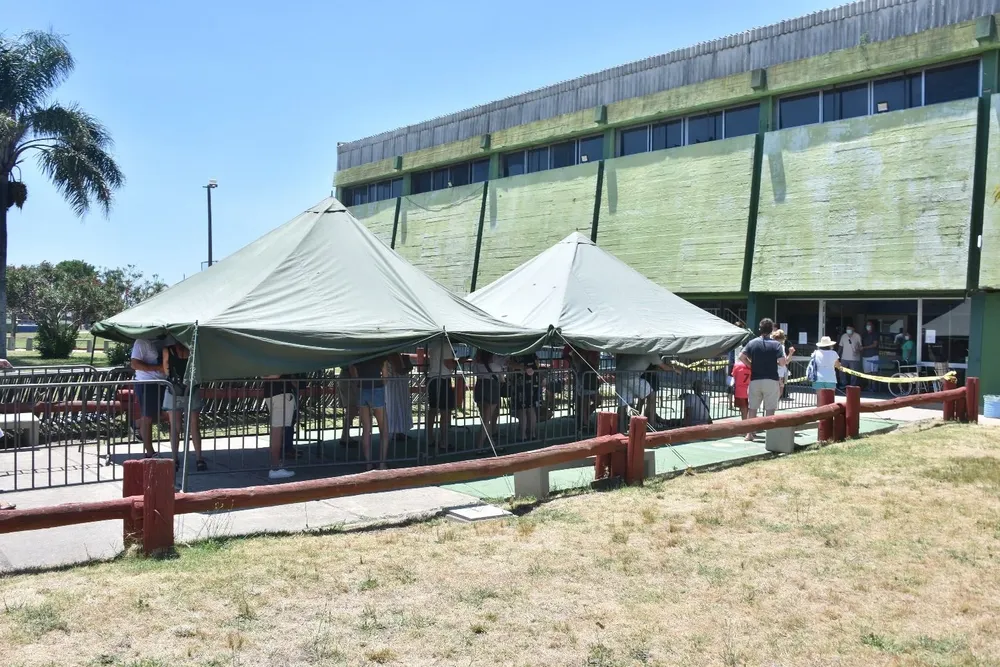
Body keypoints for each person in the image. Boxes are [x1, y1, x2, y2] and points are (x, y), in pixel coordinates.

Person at [161, 341, 206, 473]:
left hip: (173, 390)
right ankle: (199, 459)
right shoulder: (193, 349)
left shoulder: (167, 350)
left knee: (174, 427)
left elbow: (166, 370)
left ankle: (175, 459)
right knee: (194, 426)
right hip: (191, 389)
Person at [738, 319, 785, 441]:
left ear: (760, 329)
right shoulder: (777, 345)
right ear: (771, 330)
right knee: (770, 409)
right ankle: (769, 436)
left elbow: (741, 356)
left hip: (755, 379)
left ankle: (749, 434)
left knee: (753, 408)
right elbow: (782, 362)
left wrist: (751, 365)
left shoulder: (752, 343)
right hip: (771, 379)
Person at [614, 353, 676, 432]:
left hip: (620, 375)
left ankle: (620, 429)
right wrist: (675, 370)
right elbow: (663, 367)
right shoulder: (652, 353)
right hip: (631, 377)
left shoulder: (639, 349)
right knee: (651, 395)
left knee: (622, 404)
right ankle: (652, 424)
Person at [130, 337, 166, 458]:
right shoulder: (142, 341)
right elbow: (135, 364)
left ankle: (137, 424)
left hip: (162, 382)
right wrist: (158, 368)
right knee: (148, 417)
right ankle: (150, 452)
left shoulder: (164, 340)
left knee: (160, 415)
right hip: (146, 382)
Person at [352, 356, 389, 469]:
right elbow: (385, 377)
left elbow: (355, 377)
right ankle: (382, 463)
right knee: (384, 429)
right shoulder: (381, 358)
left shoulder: (358, 358)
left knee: (366, 429)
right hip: (377, 389)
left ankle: (368, 463)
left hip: (362, 390)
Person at [262, 375, 298, 480]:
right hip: (281, 393)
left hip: (271, 392)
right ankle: (275, 467)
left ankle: (276, 465)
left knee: (277, 429)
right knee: (278, 430)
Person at [425, 337, 457, 454]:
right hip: (442, 379)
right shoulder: (446, 345)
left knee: (433, 409)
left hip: (432, 379)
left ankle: (430, 438)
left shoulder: (434, 344)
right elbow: (449, 364)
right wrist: (458, 362)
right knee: (445, 411)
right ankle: (444, 441)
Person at [472, 349, 504, 449]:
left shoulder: (477, 359)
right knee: (487, 419)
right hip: (491, 386)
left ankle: (491, 443)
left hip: (479, 385)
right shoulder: (495, 359)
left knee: (484, 418)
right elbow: (501, 372)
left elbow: (474, 371)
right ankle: (479, 445)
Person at [566, 346, 600, 433]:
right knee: (585, 402)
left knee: (595, 401)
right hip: (584, 379)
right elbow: (579, 366)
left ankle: (584, 419)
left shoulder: (587, 353)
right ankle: (585, 423)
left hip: (590, 379)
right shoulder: (578, 354)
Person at [509, 354, 541, 442]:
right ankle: (532, 434)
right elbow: (537, 364)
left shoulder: (517, 354)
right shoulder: (532, 353)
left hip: (520, 384)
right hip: (533, 382)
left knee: (522, 409)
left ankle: (523, 435)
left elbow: (511, 364)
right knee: (531, 408)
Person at [384, 353, 414, 441]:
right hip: (396, 383)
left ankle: (398, 431)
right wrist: (408, 365)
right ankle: (396, 432)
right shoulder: (393, 355)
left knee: (397, 406)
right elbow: (399, 370)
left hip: (397, 383)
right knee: (397, 406)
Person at [336, 365, 360, 447]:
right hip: (349, 379)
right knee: (352, 407)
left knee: (351, 409)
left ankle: (345, 435)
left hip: (348, 378)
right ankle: (345, 436)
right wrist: (356, 382)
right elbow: (352, 366)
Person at [770, 329, 796, 399]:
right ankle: (773, 403)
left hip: (772, 371)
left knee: (774, 391)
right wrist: (790, 353)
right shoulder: (780, 346)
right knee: (779, 390)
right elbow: (786, 362)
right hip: (779, 372)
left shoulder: (770, 345)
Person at [861, 320, 880, 389]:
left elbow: (875, 345)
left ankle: (874, 386)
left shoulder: (875, 334)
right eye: (867, 325)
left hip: (874, 356)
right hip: (865, 356)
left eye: (869, 325)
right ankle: (869, 386)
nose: (868, 326)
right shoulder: (864, 334)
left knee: (874, 372)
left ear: (872, 326)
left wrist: (864, 347)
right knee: (867, 372)